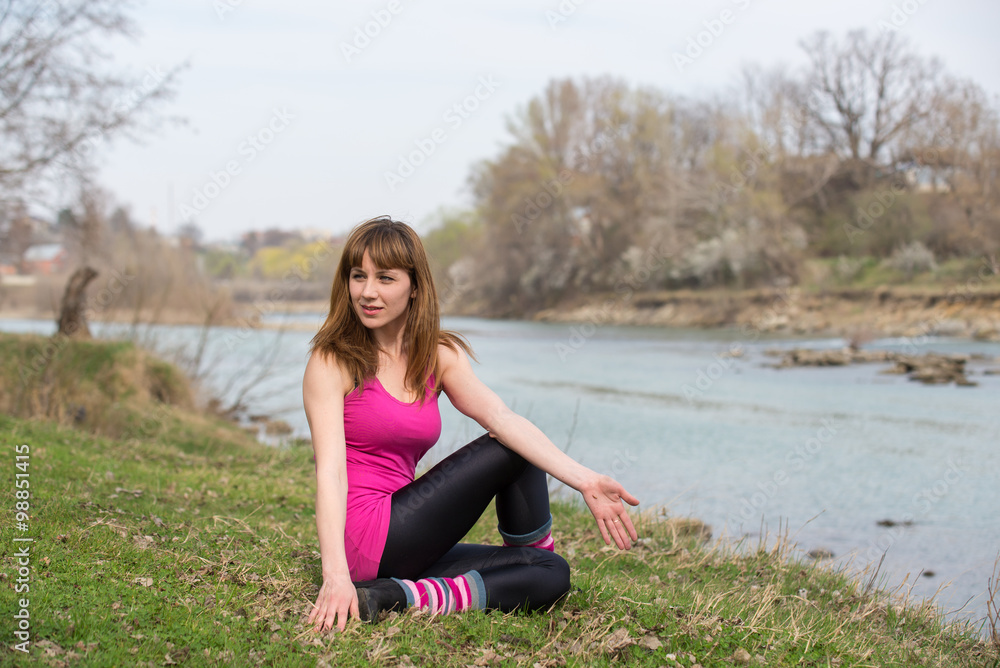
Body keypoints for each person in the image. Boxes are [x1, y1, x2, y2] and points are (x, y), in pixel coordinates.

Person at [304, 216, 640, 633]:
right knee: (509, 448)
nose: (368, 292)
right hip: (361, 537)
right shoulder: (332, 360)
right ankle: (507, 575)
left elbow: (502, 416)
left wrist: (586, 480)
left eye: (385, 278)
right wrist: (336, 575)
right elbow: (331, 473)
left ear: (414, 286)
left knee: (553, 570)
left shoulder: (437, 354)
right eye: (359, 276)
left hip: (406, 537)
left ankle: (400, 594)